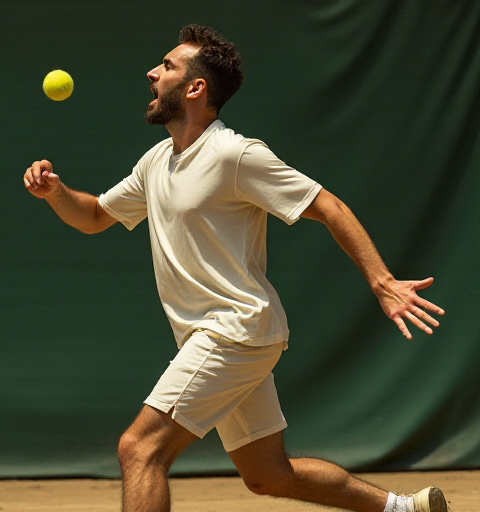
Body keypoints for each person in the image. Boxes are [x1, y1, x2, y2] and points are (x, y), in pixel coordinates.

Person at [23, 25, 447, 512]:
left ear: (195, 88)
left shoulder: (236, 154)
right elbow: (95, 216)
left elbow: (326, 204)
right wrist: (56, 193)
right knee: (268, 474)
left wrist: (383, 281)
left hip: (232, 330)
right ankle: (404, 508)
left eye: (167, 66)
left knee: (140, 449)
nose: (152, 72)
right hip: (231, 336)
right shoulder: (157, 160)